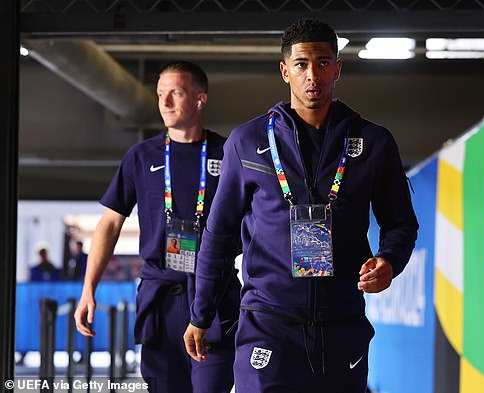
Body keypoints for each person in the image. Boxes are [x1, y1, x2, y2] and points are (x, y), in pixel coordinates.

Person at [184, 18, 419, 393]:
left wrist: (389, 260)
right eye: (302, 64)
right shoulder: (247, 142)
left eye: (324, 63)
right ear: (285, 71)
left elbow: (401, 223)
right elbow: (219, 233)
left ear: (338, 69)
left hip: (342, 323)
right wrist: (201, 314)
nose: (314, 75)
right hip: (268, 321)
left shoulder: (373, 142)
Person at [74, 61, 241, 392]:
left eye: (175, 93)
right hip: (160, 298)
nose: (164, 102)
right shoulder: (141, 155)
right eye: (160, 94)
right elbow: (109, 223)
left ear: (199, 100)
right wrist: (88, 288)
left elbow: (258, 221)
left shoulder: (229, 153)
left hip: (215, 295)